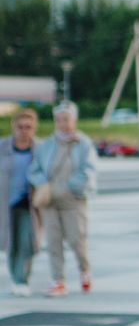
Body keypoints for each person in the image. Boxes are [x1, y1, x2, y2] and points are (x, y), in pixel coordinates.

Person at [28, 101, 98, 297]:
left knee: (77, 239)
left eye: (66, 119)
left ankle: (84, 270)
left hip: (73, 199)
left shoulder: (83, 144)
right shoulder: (47, 145)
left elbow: (89, 170)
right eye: (58, 120)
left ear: (74, 120)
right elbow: (34, 170)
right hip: (49, 200)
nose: (62, 124)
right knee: (53, 241)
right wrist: (43, 183)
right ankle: (58, 280)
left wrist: (71, 186)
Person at [1, 109, 41, 296]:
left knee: (27, 242)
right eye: (20, 127)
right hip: (7, 203)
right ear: (13, 127)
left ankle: (23, 279)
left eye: (28, 127)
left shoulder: (40, 149)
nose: (24, 131)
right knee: (11, 243)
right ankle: (16, 279)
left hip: (30, 204)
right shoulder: (3, 147)